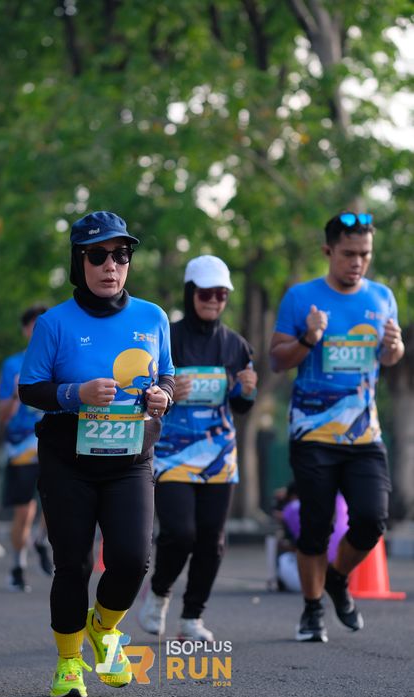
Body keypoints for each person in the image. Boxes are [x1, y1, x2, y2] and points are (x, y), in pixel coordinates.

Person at [18, 210, 174, 697]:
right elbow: (29, 388)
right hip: (69, 462)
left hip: (131, 460)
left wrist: (163, 395)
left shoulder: (153, 317)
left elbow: (167, 375)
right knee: (74, 564)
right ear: (78, 261)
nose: (111, 266)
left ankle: (103, 627)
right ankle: (69, 663)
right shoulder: (54, 323)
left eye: (121, 255)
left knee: (131, 559)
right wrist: (75, 394)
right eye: (98, 255)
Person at [269, 211, 404, 642]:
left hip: (364, 434)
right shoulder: (301, 298)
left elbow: (387, 358)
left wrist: (395, 348)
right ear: (328, 251)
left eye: (365, 254)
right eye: (348, 253)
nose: (357, 262)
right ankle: (312, 611)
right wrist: (308, 338)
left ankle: (337, 577)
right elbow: (276, 359)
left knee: (372, 519)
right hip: (312, 433)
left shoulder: (382, 296)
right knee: (315, 526)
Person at [138, 255, 258, 641]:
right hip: (171, 451)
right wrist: (170, 394)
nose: (214, 301)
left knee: (212, 540)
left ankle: (192, 617)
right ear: (190, 293)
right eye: (206, 293)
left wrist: (246, 392)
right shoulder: (166, 338)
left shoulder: (236, 345)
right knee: (180, 532)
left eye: (221, 294)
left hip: (219, 454)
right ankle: (159, 594)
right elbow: (141, 394)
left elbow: (241, 406)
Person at [0, 305, 53, 593]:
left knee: (57, 504)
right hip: (22, 446)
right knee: (24, 510)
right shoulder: (12, 365)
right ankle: (18, 565)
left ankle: (41, 540)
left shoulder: (60, 359)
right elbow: (2, 415)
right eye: (33, 325)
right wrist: (16, 393)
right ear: (24, 330)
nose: (38, 331)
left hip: (54, 442)